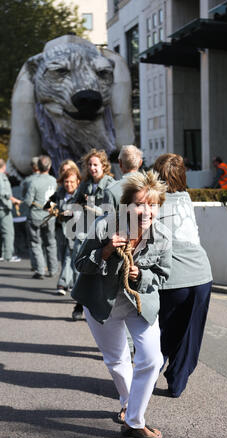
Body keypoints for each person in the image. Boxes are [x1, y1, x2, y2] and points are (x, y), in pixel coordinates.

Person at [72, 170, 171, 438]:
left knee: (151, 359)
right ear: (127, 205)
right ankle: (130, 410)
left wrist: (143, 275)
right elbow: (79, 265)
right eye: (140, 203)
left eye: (152, 205)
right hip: (102, 304)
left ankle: (134, 419)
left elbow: (163, 275)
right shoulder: (106, 226)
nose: (146, 211)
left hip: (139, 303)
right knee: (117, 360)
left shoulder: (161, 235)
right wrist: (104, 251)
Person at [153, 153, 213, 398]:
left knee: (164, 334)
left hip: (172, 277)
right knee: (190, 333)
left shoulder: (153, 203)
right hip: (201, 272)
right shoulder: (186, 198)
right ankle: (177, 382)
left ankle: (141, 381)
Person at [103, 144, 143, 358]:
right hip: (147, 251)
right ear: (141, 163)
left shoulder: (111, 190)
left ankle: (127, 350)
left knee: (123, 300)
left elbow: (105, 226)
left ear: (119, 164)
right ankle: (143, 346)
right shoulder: (152, 186)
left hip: (123, 252)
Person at [70, 148, 115, 320]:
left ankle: (99, 305)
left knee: (100, 270)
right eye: (89, 164)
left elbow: (109, 212)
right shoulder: (85, 184)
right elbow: (76, 203)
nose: (92, 168)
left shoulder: (111, 184)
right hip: (85, 231)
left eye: (95, 164)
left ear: (103, 165)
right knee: (83, 266)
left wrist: (89, 206)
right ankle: (79, 304)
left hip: (103, 233)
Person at [49, 167, 81, 300]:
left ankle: (62, 284)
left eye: (72, 182)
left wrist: (73, 212)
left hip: (76, 231)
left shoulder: (81, 194)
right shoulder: (60, 193)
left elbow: (87, 210)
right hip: (61, 231)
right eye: (66, 182)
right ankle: (72, 283)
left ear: (78, 181)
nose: (69, 185)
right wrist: (53, 209)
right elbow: (49, 204)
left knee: (70, 257)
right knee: (64, 257)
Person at [23, 155, 58, 279]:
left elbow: (28, 201)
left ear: (38, 166)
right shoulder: (54, 181)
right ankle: (53, 269)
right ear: (49, 166)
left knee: (36, 243)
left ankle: (40, 270)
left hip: (35, 216)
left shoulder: (33, 182)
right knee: (51, 243)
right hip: (50, 216)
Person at [0, 158, 21, 262]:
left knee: (0, 232)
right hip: (2, 207)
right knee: (8, 232)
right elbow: (2, 192)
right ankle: (8, 255)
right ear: (4, 166)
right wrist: (13, 199)